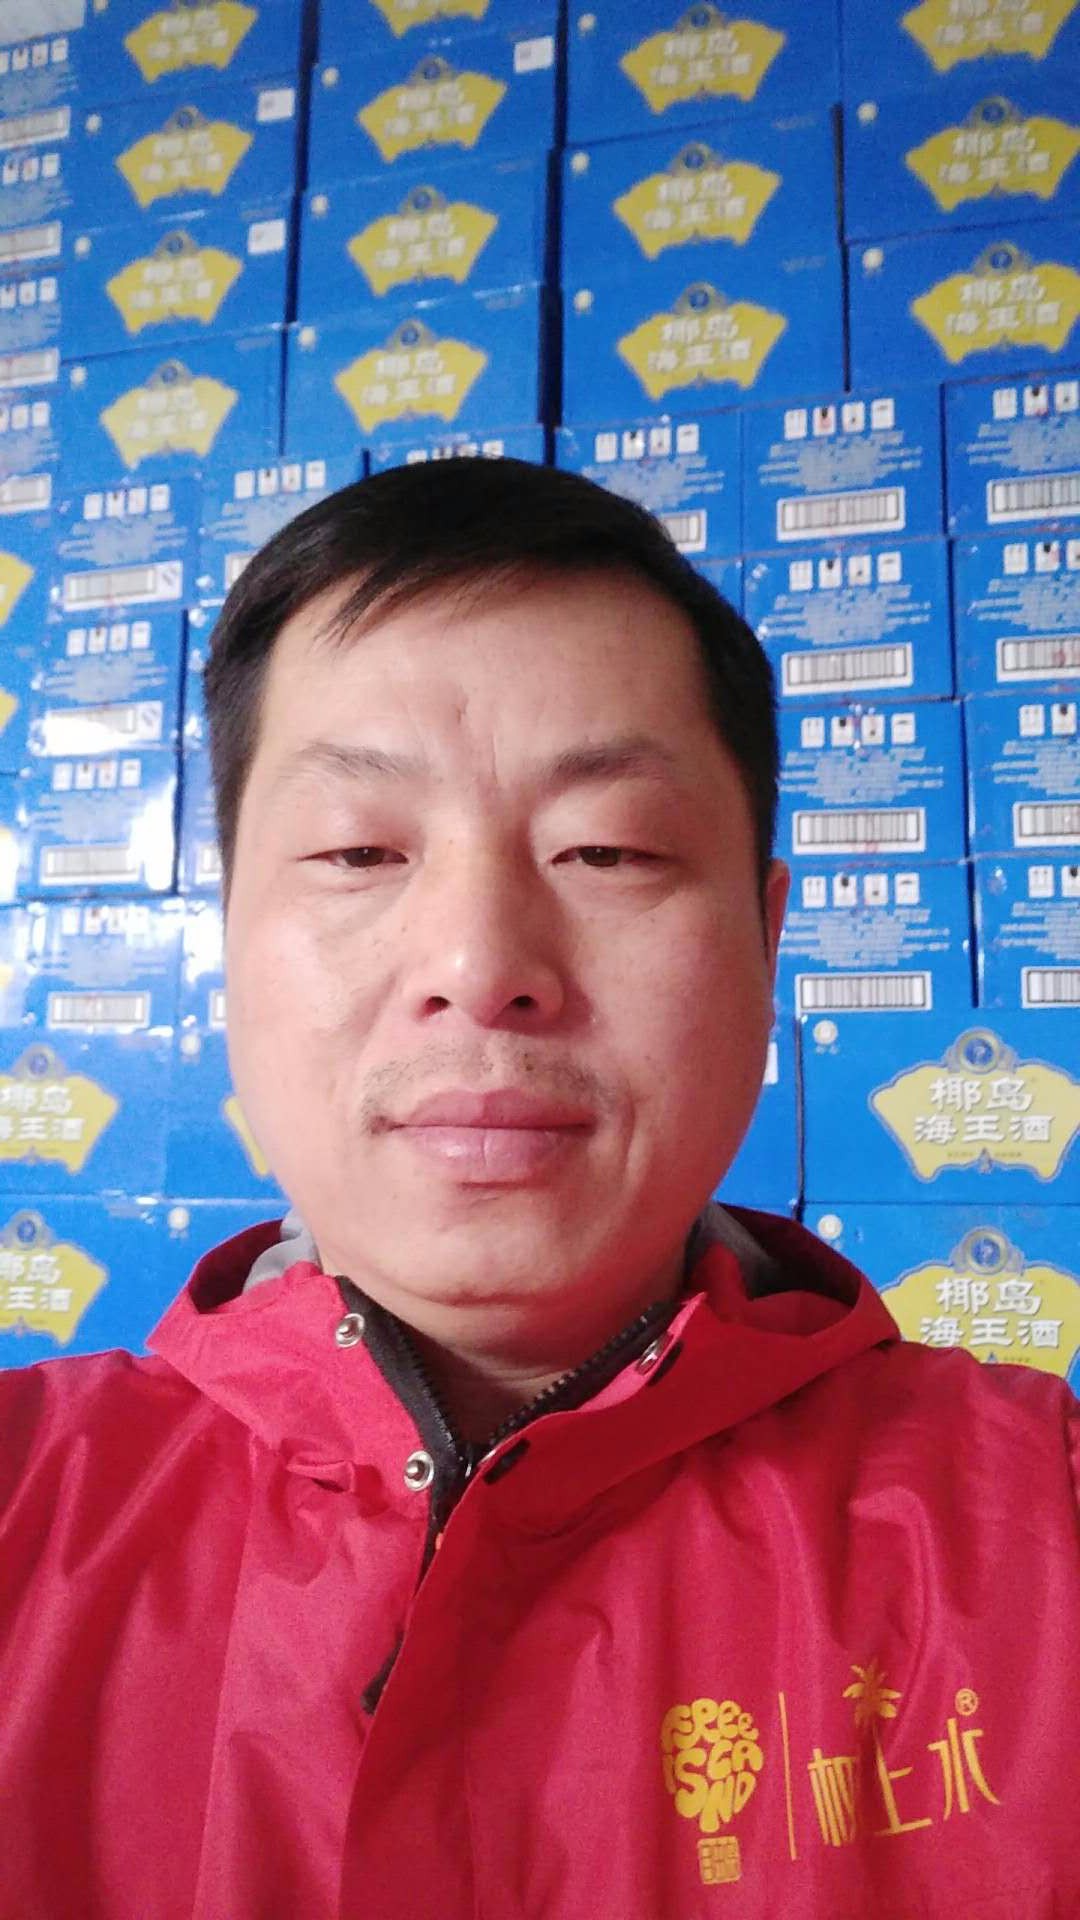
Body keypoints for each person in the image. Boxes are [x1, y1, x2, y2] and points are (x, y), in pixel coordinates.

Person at [0, 460, 1076, 1920]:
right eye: (358, 851)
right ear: (230, 940)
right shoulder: (27, 1508)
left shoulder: (1039, 1529)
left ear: (765, 945)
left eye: (607, 849)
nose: (476, 963)